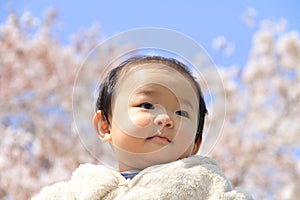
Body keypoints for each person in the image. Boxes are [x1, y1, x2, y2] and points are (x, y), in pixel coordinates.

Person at [33, 55, 252, 199]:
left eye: (182, 113)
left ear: (196, 143)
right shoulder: (77, 190)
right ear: (105, 126)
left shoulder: (207, 183)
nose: (166, 119)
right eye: (146, 105)